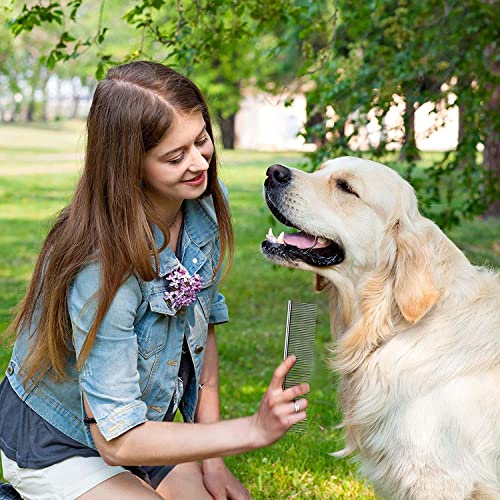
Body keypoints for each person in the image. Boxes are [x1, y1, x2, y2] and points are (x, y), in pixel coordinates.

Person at [0, 61, 309, 499]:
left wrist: (213, 464)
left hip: (141, 425)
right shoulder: (101, 264)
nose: (199, 162)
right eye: (174, 156)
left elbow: (202, 340)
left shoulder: (200, 204)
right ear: (129, 165)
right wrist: (253, 430)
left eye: (201, 140)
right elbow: (117, 440)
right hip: (61, 439)